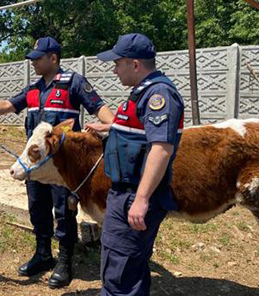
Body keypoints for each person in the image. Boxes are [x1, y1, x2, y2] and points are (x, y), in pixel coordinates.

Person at [0, 36, 114, 289]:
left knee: (64, 211)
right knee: (37, 207)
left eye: (37, 59)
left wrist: (113, 126)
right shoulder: (32, 90)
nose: (33, 63)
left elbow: (99, 107)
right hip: (35, 164)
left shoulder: (73, 83)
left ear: (53, 58)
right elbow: (7, 106)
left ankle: (65, 260)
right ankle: (43, 254)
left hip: (62, 168)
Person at [92, 33, 185, 296]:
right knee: (129, 267)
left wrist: (142, 199)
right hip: (125, 192)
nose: (113, 69)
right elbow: (144, 132)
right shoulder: (143, 91)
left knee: (119, 273)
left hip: (134, 194)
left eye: (117, 63)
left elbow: (161, 148)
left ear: (135, 64)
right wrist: (114, 127)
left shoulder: (159, 94)